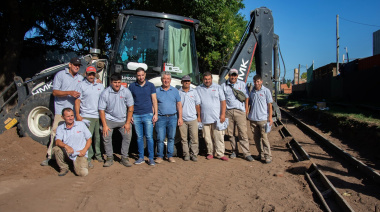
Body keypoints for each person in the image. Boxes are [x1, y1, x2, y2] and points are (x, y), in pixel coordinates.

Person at [41, 57, 84, 166]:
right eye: (75, 65)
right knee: (56, 133)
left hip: (74, 111)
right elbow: (55, 92)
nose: (77, 67)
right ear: (70, 65)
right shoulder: (60, 75)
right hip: (61, 111)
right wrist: (69, 92)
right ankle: (50, 157)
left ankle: (70, 158)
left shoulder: (80, 77)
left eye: (78, 65)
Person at [98, 73, 134, 167]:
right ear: (111, 82)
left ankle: (124, 157)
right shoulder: (105, 93)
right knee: (106, 136)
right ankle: (109, 158)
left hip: (123, 119)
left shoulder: (126, 91)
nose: (117, 84)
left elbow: (130, 107)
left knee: (127, 135)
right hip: (109, 119)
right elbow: (101, 110)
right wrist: (105, 125)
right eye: (115, 82)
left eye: (119, 82)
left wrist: (127, 123)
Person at [75, 66, 105, 168]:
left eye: (93, 74)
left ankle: (98, 155)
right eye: (89, 74)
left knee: (97, 137)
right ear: (86, 74)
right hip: (86, 116)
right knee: (88, 138)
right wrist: (78, 114)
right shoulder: (81, 85)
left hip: (98, 115)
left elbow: (104, 99)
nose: (91, 76)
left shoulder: (100, 85)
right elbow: (77, 100)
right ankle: (88, 158)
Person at [221, 69, 254, 161]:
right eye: (232, 75)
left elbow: (247, 97)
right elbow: (222, 101)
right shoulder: (224, 86)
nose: (233, 77)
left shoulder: (242, 84)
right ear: (229, 75)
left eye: (235, 75)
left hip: (240, 112)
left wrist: (246, 109)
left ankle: (246, 153)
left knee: (242, 133)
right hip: (229, 112)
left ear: (237, 76)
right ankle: (234, 151)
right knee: (231, 133)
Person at [128, 67, 158, 166]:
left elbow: (154, 101)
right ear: (136, 76)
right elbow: (129, 102)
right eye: (138, 75)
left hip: (148, 114)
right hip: (136, 115)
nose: (141, 77)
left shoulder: (151, 85)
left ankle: (150, 158)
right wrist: (130, 115)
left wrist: (155, 114)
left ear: (145, 75)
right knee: (139, 137)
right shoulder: (132, 86)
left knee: (149, 137)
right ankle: (140, 157)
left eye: (142, 75)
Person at [196, 72, 228, 161]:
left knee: (219, 137)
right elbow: (197, 104)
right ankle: (210, 152)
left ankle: (220, 153)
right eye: (205, 79)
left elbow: (223, 101)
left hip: (217, 118)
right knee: (207, 138)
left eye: (209, 79)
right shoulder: (199, 89)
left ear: (211, 79)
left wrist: (223, 114)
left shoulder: (218, 88)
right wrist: (199, 116)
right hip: (205, 118)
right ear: (203, 80)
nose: (207, 81)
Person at [52, 108, 92, 177]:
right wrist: (66, 146)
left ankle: (81, 163)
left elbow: (89, 139)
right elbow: (57, 141)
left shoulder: (81, 125)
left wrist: (84, 150)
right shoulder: (60, 128)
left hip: (79, 153)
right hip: (68, 152)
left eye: (72, 115)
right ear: (63, 117)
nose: (70, 118)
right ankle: (64, 167)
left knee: (83, 173)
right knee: (56, 149)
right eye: (68, 116)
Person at [155, 72, 183, 164]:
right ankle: (159, 156)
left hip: (172, 118)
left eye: (168, 79)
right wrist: (154, 116)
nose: (166, 80)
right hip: (161, 118)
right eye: (164, 78)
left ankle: (170, 156)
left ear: (170, 80)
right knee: (160, 138)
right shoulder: (157, 91)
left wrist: (180, 118)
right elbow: (154, 105)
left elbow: (179, 105)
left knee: (171, 138)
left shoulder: (175, 91)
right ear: (161, 80)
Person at [247, 74, 273, 164]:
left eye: (258, 81)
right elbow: (249, 103)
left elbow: (270, 105)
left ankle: (268, 156)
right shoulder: (252, 92)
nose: (256, 83)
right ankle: (260, 154)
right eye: (255, 81)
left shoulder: (266, 91)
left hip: (263, 119)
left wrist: (270, 117)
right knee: (256, 138)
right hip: (253, 119)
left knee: (264, 138)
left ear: (261, 82)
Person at [178, 75, 201, 162]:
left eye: (188, 81)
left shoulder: (194, 92)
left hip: (193, 119)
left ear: (190, 82)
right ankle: (186, 154)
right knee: (184, 139)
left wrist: (198, 117)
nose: (186, 82)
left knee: (194, 139)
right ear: (182, 82)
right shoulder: (178, 92)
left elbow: (197, 105)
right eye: (185, 81)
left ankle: (194, 154)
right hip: (182, 119)